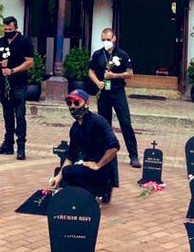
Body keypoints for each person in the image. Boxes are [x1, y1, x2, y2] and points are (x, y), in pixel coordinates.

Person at [48, 89, 119, 202]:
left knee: (70, 171)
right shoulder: (75, 128)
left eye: (77, 103)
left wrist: (98, 165)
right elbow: (71, 155)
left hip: (103, 168)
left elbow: (114, 146)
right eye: (69, 103)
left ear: (87, 104)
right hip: (87, 166)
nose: (73, 106)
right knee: (67, 171)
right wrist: (58, 177)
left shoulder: (99, 121)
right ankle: (89, 194)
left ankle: (101, 190)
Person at [88, 28, 140, 168]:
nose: (106, 42)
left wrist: (115, 76)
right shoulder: (98, 54)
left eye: (108, 39)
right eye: (103, 40)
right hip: (103, 92)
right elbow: (91, 71)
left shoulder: (122, 54)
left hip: (117, 91)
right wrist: (97, 82)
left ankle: (133, 155)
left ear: (114, 39)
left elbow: (130, 73)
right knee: (104, 124)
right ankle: (105, 153)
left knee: (125, 123)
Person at [0, 16, 35, 160]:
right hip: (3, 84)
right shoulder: (1, 41)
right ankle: (8, 144)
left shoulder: (24, 42)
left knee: (20, 115)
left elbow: (30, 62)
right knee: (7, 115)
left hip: (19, 84)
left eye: (10, 29)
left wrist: (13, 70)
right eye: (5, 29)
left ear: (15, 28)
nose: (7, 31)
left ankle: (21, 146)